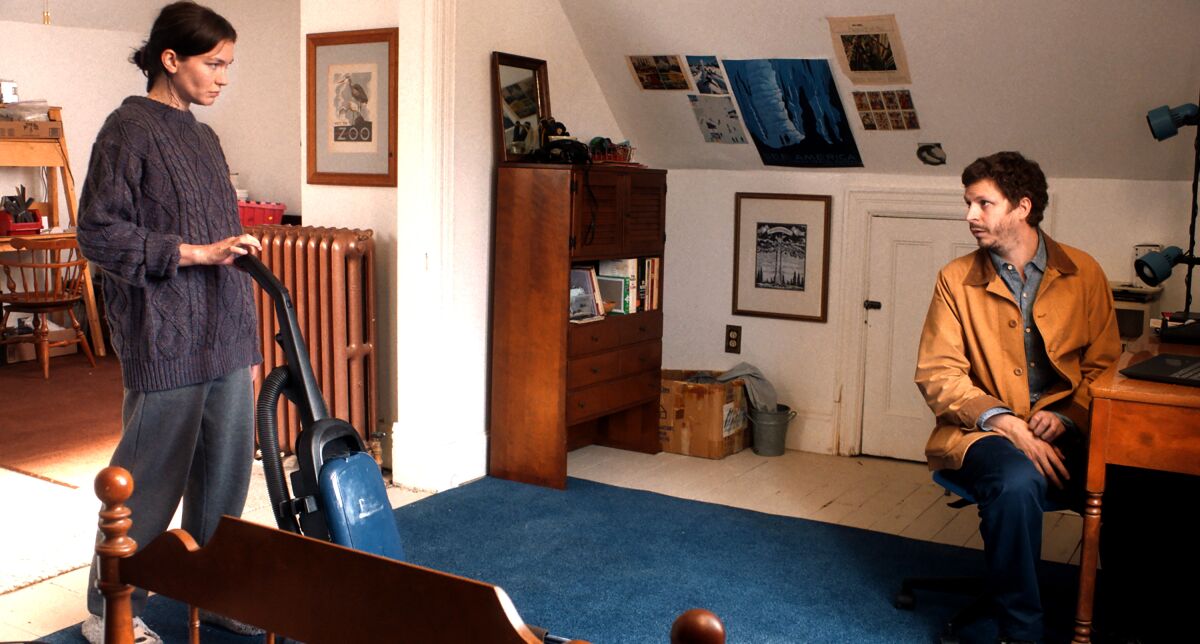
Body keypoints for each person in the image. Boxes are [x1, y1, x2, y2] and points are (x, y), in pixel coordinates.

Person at [75, 3, 262, 642]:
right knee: (149, 481)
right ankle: (109, 612)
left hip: (228, 332)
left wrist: (230, 245)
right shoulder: (127, 130)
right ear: (171, 59)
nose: (222, 78)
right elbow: (99, 232)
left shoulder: (204, 137)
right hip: (167, 337)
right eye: (213, 64)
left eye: (228, 66)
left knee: (225, 476)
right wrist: (192, 253)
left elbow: (206, 228)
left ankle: (207, 594)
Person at [914, 151, 1120, 642]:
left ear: (1022, 207)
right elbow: (938, 373)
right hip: (980, 430)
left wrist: (1068, 415)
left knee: (1139, 476)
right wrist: (1006, 422)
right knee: (1016, 480)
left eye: (983, 204)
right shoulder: (954, 279)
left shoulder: (1084, 272)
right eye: (969, 203)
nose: (970, 216)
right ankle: (1021, 632)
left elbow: (1105, 365)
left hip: (1069, 424)